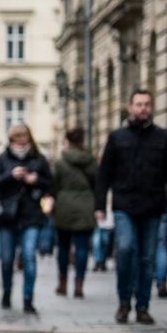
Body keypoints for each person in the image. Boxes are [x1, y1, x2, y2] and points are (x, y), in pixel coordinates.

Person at [94, 90, 167, 324]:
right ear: (130, 107)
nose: (143, 108)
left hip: (153, 206)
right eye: (138, 104)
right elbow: (104, 174)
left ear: (152, 107)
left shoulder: (163, 137)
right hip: (124, 204)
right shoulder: (117, 137)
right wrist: (99, 205)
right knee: (125, 250)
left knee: (147, 258)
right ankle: (124, 301)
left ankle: (142, 306)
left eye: (146, 104)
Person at [0, 123, 53, 314]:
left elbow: (51, 185)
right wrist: (11, 176)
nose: (20, 140)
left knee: (28, 256)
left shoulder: (39, 159)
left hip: (31, 213)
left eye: (23, 136)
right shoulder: (2, 159)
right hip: (8, 215)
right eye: (16, 137)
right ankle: (7, 292)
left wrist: (36, 181)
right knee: (7, 259)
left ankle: (28, 298)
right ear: (10, 140)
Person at [51, 127, 98, 299]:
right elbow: (97, 182)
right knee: (82, 248)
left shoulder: (60, 162)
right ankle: (79, 285)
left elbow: (54, 185)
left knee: (63, 247)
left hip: (64, 206)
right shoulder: (91, 161)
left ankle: (62, 284)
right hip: (85, 205)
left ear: (67, 141)